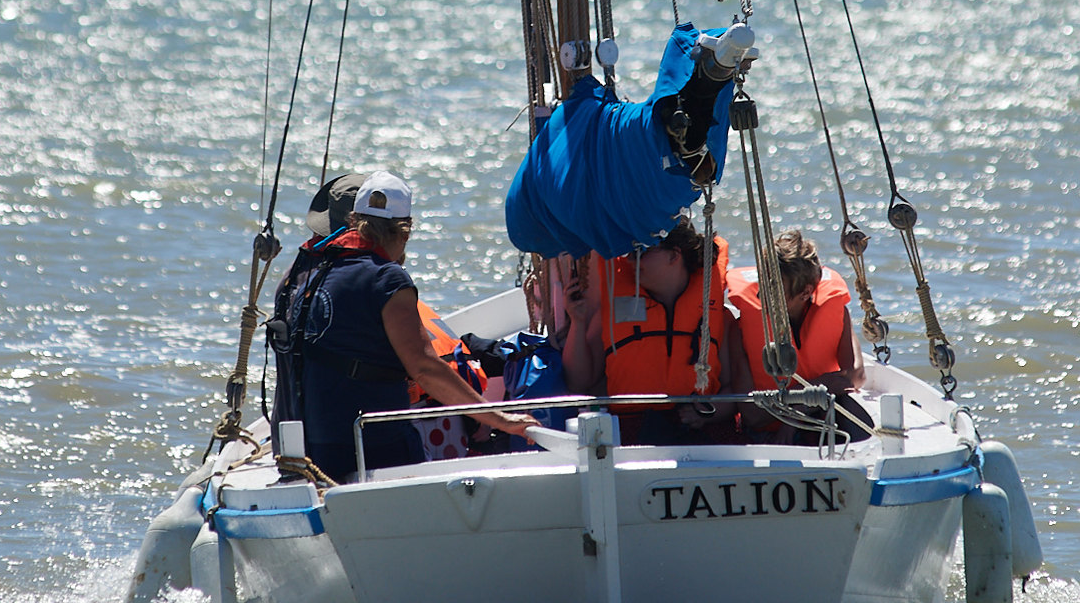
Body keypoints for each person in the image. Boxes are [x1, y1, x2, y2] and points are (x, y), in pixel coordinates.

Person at [268, 173, 530, 485]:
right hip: (367, 449)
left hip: (298, 452)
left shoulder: (299, 272)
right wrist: (500, 419)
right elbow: (424, 368)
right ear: (403, 233)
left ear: (354, 221)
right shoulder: (387, 280)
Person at [563, 210, 748, 437]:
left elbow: (733, 392)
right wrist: (578, 323)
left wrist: (703, 413)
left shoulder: (718, 316)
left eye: (642, 251)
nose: (630, 259)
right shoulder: (613, 312)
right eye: (630, 251)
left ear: (674, 256)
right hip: (633, 429)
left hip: (700, 429)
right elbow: (579, 381)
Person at [728, 229, 861, 395]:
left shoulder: (837, 313)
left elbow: (854, 375)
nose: (761, 292)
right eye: (762, 281)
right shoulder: (740, 330)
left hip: (824, 408)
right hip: (774, 417)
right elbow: (751, 414)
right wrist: (816, 388)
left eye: (774, 287)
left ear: (805, 293)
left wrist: (810, 394)